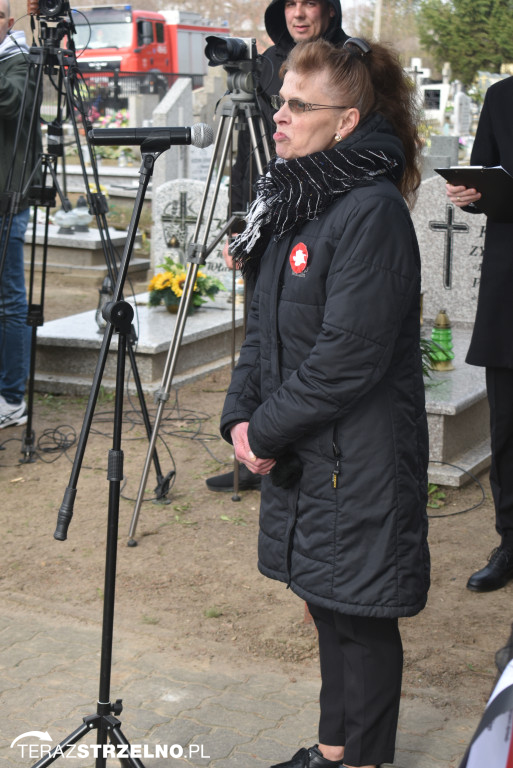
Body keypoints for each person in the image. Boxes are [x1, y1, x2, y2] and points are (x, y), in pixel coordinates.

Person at [220, 37, 430, 768]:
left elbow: (348, 357)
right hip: (311, 453)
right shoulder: (295, 200)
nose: (278, 115)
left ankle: (362, 759)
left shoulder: (368, 212)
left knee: (361, 617)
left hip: (357, 459)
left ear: (344, 123)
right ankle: (334, 747)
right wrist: (238, 419)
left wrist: (266, 431)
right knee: (327, 605)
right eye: (280, 99)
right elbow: (265, 335)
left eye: (297, 105)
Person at [206, 0, 348, 493]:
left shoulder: (348, 61)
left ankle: (293, 451)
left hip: (314, 227)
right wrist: (241, 225)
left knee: (307, 341)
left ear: (329, 11)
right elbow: (249, 154)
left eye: (310, 2)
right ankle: (252, 451)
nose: (299, 13)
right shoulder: (265, 65)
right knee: (262, 334)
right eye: (290, 3)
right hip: (264, 219)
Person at [446, 75, 513, 592]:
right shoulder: (502, 97)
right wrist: (467, 194)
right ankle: (511, 543)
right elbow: (482, 180)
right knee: (507, 433)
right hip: (509, 289)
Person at [0, 0, 39, 428]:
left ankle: (11, 397)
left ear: (9, 24)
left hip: (6, 202)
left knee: (8, 302)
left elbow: (11, 104)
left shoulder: (20, 61)